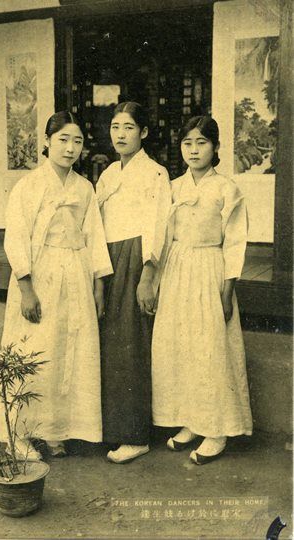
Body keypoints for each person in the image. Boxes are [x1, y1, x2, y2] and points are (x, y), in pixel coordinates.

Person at [0, 111, 113, 460]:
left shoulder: (84, 187)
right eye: (62, 140)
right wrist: (26, 287)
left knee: (67, 351)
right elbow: (16, 238)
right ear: (46, 142)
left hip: (75, 272)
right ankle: (21, 435)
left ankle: (56, 429)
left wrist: (98, 285)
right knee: (36, 350)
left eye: (77, 141)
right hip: (39, 275)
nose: (70, 148)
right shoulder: (29, 186)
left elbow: (95, 239)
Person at [152, 116, 253, 464]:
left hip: (211, 269)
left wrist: (227, 289)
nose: (193, 150)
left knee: (210, 347)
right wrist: (157, 278)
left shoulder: (226, 189)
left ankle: (216, 429)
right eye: (187, 143)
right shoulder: (174, 188)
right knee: (182, 347)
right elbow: (163, 237)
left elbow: (235, 243)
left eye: (201, 143)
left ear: (216, 147)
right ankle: (191, 421)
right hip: (178, 269)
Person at [96, 101, 171, 464]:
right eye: (115, 127)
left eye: (128, 127)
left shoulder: (156, 173)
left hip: (136, 257)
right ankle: (107, 428)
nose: (121, 134)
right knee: (108, 344)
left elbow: (158, 226)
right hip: (107, 258)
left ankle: (135, 434)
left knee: (130, 341)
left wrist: (149, 273)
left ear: (143, 132)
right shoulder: (109, 173)